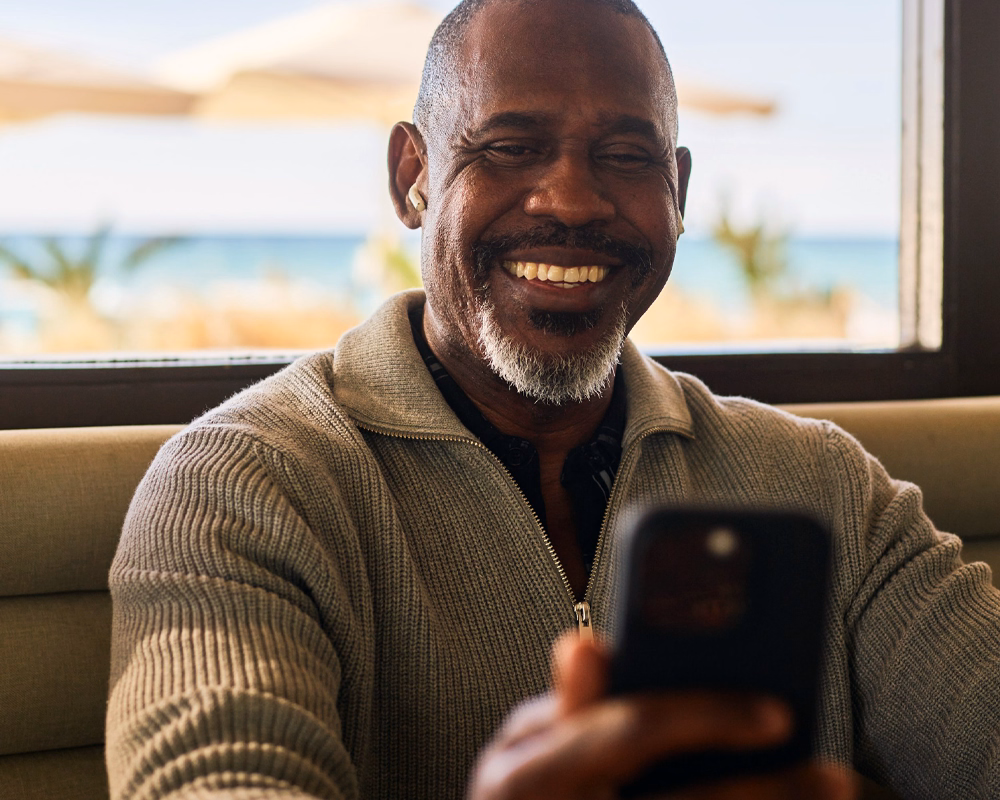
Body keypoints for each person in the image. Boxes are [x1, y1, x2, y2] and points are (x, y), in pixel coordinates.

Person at [105, 1, 1000, 798]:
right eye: (511, 147)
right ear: (412, 176)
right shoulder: (239, 486)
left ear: (677, 192)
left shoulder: (826, 486)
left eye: (624, 156)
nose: (572, 199)